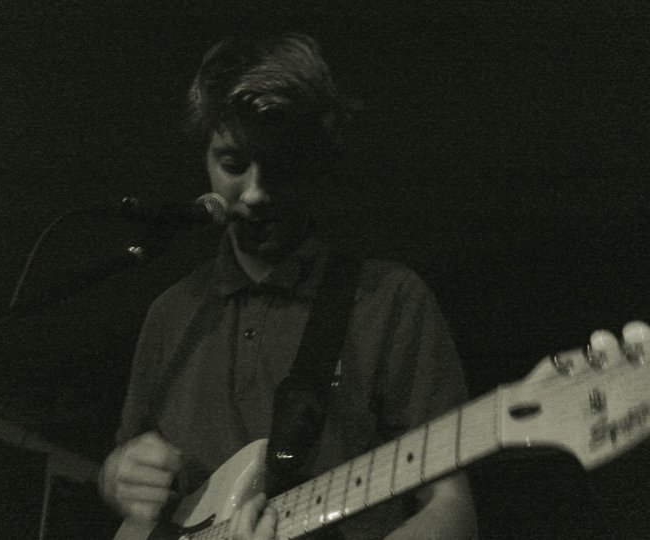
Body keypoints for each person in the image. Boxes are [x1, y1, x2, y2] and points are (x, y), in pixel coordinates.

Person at [98, 32, 477, 539]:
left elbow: (452, 508)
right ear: (205, 158)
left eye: (279, 167)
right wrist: (117, 476)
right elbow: (131, 483)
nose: (255, 193)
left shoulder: (390, 300)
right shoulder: (170, 314)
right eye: (233, 165)